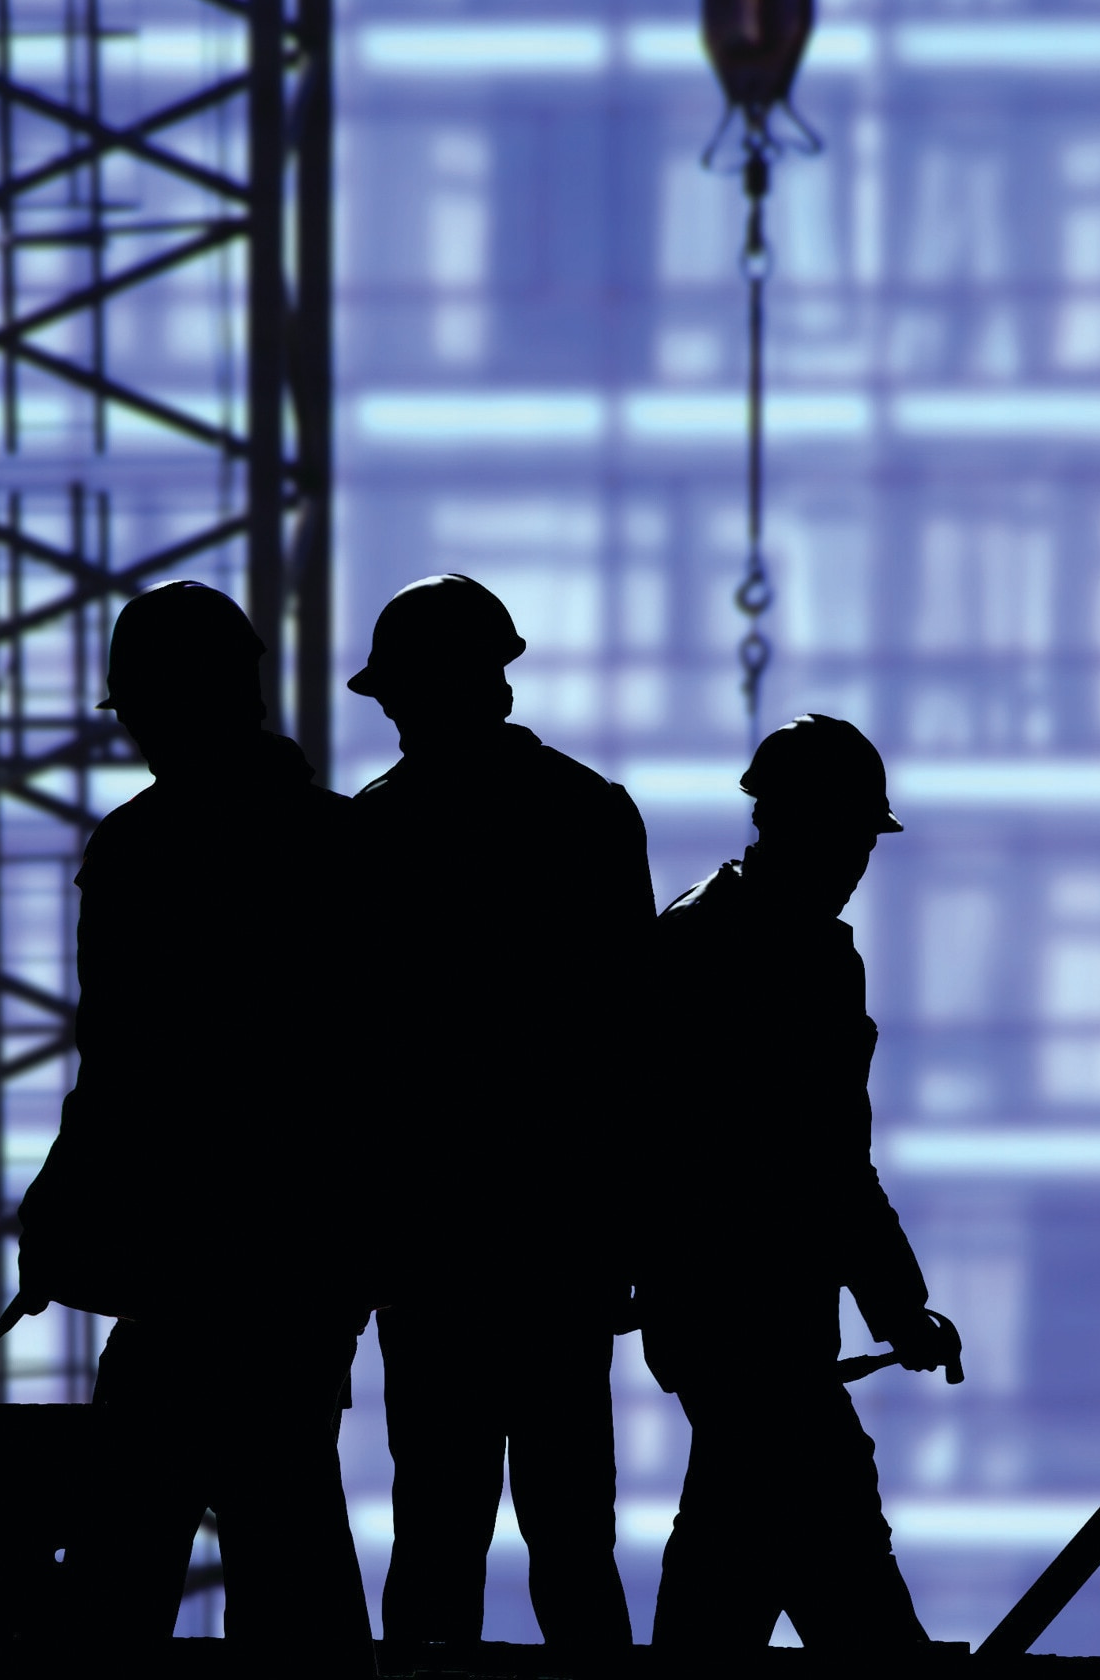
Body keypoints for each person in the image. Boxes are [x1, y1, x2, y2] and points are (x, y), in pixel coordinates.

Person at [14, 581, 373, 1673]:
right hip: (307, 1247)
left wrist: (62, 1209)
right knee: (287, 1514)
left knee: (131, 1533)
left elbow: (124, 1062)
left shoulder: (143, 848)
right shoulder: (340, 842)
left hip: (183, 1250)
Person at [345, 574, 648, 1652]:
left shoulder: (376, 831)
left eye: (401, 693)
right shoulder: (587, 814)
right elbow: (630, 1046)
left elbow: (352, 1058)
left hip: (435, 1244)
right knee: (566, 1535)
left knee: (440, 1530)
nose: (395, 712)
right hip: (551, 1238)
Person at [637, 712, 956, 1654]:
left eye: (865, 840)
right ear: (788, 823)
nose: (858, 859)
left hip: (736, 1313)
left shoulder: (754, 939)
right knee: (826, 1534)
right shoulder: (745, 947)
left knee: (738, 1548)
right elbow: (818, 1159)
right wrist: (898, 1306)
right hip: (742, 1310)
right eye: (848, 835)